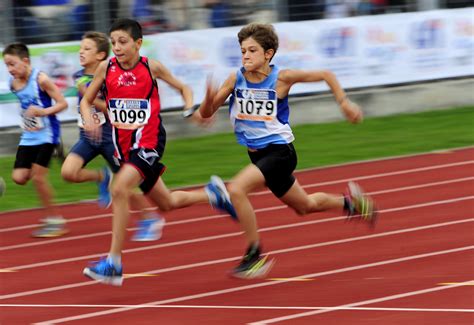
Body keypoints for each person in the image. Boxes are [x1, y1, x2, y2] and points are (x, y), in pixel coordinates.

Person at [197, 23, 378, 279]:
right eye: (242, 51)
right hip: (258, 155)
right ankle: (353, 204)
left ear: (268, 54)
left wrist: (344, 103)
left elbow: (326, 74)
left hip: (280, 153)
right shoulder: (235, 78)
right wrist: (207, 98)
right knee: (305, 206)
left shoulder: (282, 78)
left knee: (237, 189)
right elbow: (206, 114)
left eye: (251, 50)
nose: (245, 56)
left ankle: (254, 256)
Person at [81, 18, 236, 286]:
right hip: (124, 148)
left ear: (138, 44)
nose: (117, 47)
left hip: (149, 142)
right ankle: (212, 194)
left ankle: (113, 263)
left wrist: (189, 109)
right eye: (114, 42)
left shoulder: (151, 67)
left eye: (123, 42)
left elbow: (184, 88)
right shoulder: (106, 68)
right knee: (167, 203)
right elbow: (86, 100)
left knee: (119, 189)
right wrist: (89, 116)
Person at [60, 31, 164, 241]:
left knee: (123, 186)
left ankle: (149, 217)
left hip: (112, 138)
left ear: (100, 56)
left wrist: (91, 101)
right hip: (88, 138)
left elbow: (115, 106)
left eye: (87, 49)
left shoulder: (111, 76)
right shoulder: (79, 76)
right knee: (68, 172)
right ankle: (101, 176)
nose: (81, 52)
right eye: (80, 48)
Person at [2, 42, 69, 237]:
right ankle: (56, 156)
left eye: (13, 64)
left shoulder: (41, 79)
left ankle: (55, 220)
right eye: (7, 65)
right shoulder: (13, 83)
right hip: (30, 135)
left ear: (25, 61)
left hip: (48, 134)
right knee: (19, 178)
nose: (10, 69)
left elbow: (62, 103)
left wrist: (42, 111)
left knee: (39, 179)